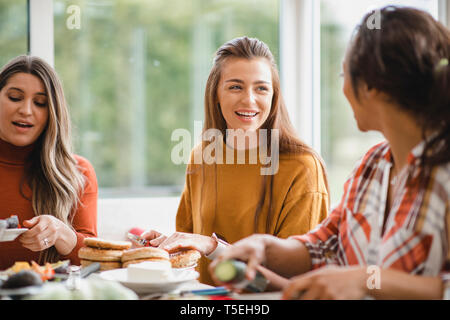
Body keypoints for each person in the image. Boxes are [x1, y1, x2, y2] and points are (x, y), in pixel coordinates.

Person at [210, 6, 450, 299]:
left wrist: (367, 279)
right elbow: (324, 246)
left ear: (374, 85)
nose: (343, 88)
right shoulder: (372, 166)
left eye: (344, 74)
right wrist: (265, 248)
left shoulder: (444, 176)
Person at [139, 36, 330, 286]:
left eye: (261, 88)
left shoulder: (302, 167)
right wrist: (166, 247)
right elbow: (196, 257)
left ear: (274, 96)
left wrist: (213, 246)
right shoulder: (201, 157)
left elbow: (292, 284)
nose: (249, 100)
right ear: (216, 94)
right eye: (236, 87)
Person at [0, 55, 98, 269]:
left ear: (52, 113)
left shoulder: (78, 172)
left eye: (40, 103)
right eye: (15, 98)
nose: (26, 110)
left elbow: (93, 262)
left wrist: (62, 234)